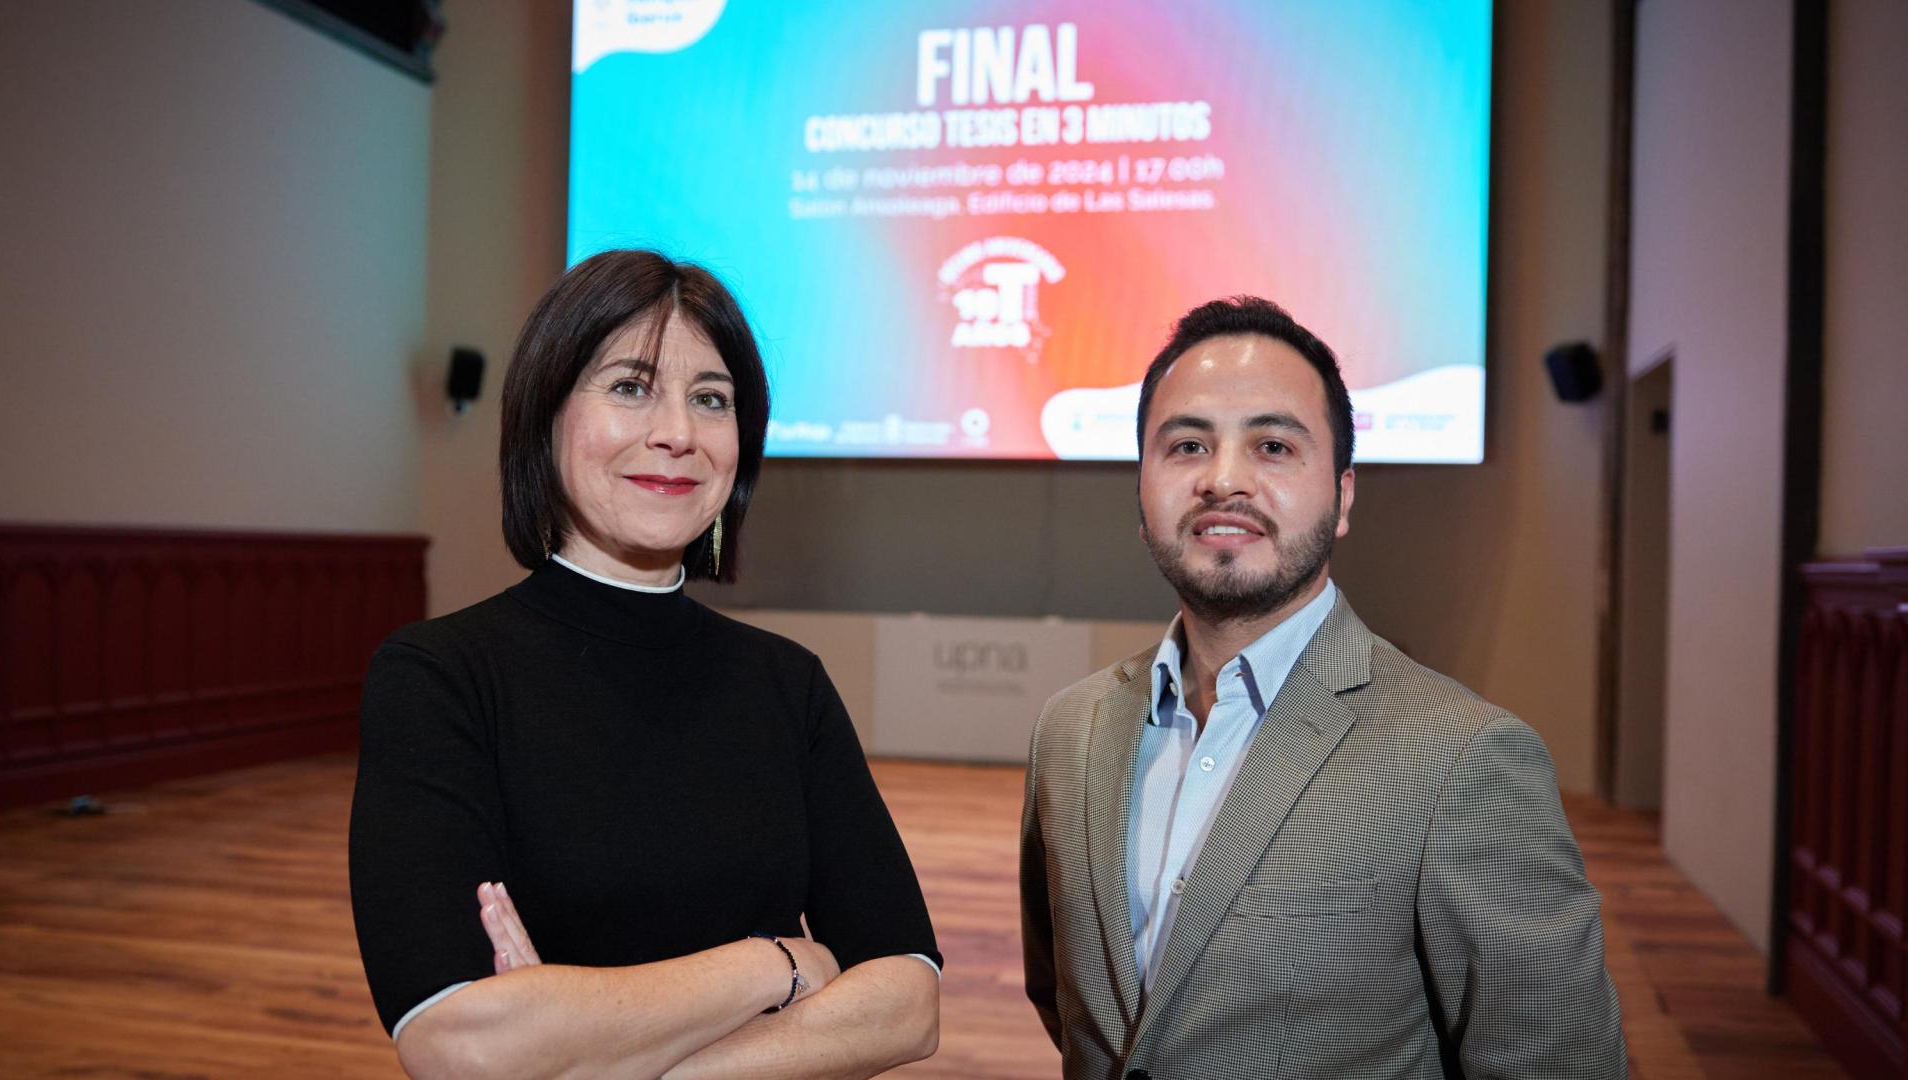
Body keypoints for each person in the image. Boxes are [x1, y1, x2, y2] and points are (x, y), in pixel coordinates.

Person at [349, 250, 941, 1080]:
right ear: (544, 415)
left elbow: (909, 1001)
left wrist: (586, 1044)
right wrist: (780, 964)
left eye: (711, 400)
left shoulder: (786, 683)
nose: (678, 433)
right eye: (630, 387)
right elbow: (460, 1043)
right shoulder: (438, 677)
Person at [1019, 296, 1626, 1078]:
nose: (1222, 480)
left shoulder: (1467, 757)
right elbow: (1069, 1008)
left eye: (1272, 445)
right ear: (1141, 492)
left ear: (1342, 496)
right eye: (1186, 446)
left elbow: (1556, 1063)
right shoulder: (1070, 730)